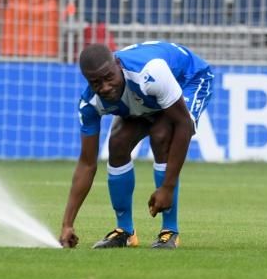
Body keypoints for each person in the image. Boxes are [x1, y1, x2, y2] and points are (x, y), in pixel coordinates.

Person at [59, 41, 214, 249]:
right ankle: (125, 232)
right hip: (149, 94)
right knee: (117, 143)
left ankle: (170, 231)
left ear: (118, 64)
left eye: (108, 77)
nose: (104, 87)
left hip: (189, 78)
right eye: (96, 83)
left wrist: (167, 188)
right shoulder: (89, 104)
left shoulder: (150, 73)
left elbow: (183, 125)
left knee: (161, 135)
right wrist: (67, 224)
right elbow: (87, 164)